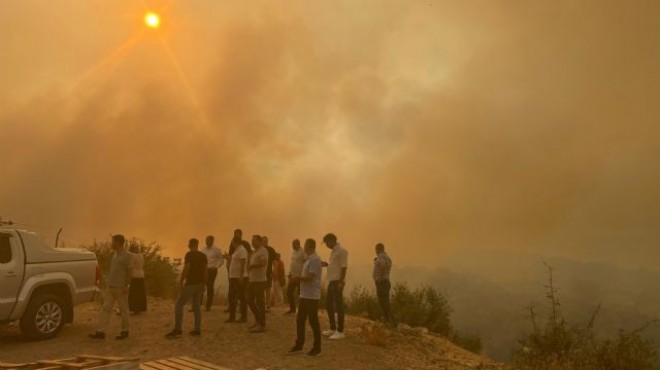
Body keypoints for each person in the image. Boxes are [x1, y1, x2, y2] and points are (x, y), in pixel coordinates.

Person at [88, 234, 132, 340]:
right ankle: (100, 332)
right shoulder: (115, 254)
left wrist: (127, 285)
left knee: (123, 310)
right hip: (111, 287)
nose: (111, 244)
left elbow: (130, 271)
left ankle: (125, 331)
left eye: (113, 242)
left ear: (118, 242)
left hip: (121, 287)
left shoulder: (127, 255)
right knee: (105, 308)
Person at [166, 238, 208, 337]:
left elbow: (187, 267)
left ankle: (178, 329)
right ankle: (197, 329)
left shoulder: (189, 255)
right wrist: (205, 283)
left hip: (191, 283)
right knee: (196, 306)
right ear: (197, 245)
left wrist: (181, 280)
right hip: (200, 284)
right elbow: (206, 270)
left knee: (179, 304)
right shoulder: (203, 256)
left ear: (190, 245)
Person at [288, 238, 322, 356]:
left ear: (310, 246)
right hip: (305, 294)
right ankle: (299, 345)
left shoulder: (315, 259)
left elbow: (311, 277)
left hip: (312, 295)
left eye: (306, 245)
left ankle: (317, 348)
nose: (304, 247)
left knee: (313, 321)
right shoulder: (309, 259)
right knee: (300, 320)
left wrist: (297, 279)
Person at [321, 233, 348, 340]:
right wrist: (326, 264)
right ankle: (332, 328)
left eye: (327, 242)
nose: (327, 245)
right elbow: (335, 265)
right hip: (332, 281)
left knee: (338, 306)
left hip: (337, 282)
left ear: (331, 240)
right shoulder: (334, 251)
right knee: (328, 305)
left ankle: (340, 331)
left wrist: (341, 282)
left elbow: (344, 267)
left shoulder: (342, 251)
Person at [246, 235, 268, 333]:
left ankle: (261, 324)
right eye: (252, 241)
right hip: (252, 280)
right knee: (249, 299)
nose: (252, 243)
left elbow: (264, 263)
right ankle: (258, 320)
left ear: (259, 241)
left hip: (259, 280)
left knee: (260, 302)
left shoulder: (263, 250)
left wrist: (252, 265)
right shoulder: (255, 252)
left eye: (254, 241)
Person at [373, 243, 396, 327]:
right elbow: (384, 264)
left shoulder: (382, 257)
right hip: (385, 282)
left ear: (377, 249)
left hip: (382, 283)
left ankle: (391, 323)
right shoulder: (387, 257)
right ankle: (389, 322)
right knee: (385, 303)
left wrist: (379, 278)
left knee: (384, 304)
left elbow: (383, 266)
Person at [226, 238, 248, 323]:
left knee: (241, 297)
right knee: (231, 297)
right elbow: (235, 261)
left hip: (238, 277)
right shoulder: (237, 251)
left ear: (235, 242)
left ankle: (243, 317)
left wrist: (241, 276)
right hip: (233, 277)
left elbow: (243, 263)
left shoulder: (242, 250)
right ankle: (232, 316)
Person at [201, 235, 224, 311]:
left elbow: (221, 260)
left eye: (208, 240)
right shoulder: (203, 250)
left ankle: (208, 306)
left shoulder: (217, 249)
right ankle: (198, 304)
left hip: (212, 270)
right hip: (204, 269)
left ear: (212, 241)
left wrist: (216, 266)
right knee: (201, 286)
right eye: (206, 240)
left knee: (210, 286)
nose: (207, 242)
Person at [286, 239, 305, 314]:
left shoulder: (303, 252)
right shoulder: (293, 252)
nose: (292, 246)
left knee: (300, 294)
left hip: (300, 277)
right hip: (293, 276)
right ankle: (292, 309)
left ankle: (302, 310)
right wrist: (290, 273)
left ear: (297, 244)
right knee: (289, 292)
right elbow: (293, 263)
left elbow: (306, 262)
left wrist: (303, 274)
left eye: (293, 244)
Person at [128, 244, 147, 315]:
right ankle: (139, 309)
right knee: (140, 294)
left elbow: (131, 267)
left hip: (134, 276)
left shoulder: (132, 256)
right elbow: (143, 265)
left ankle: (134, 309)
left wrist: (129, 278)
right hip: (141, 275)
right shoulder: (141, 255)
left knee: (134, 294)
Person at [263, 236, 277, 311]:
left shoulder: (271, 250)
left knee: (268, 289)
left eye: (265, 241)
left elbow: (274, 261)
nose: (264, 242)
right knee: (260, 289)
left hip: (268, 272)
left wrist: (274, 271)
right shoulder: (258, 250)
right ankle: (261, 304)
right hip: (260, 273)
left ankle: (268, 305)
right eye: (263, 241)